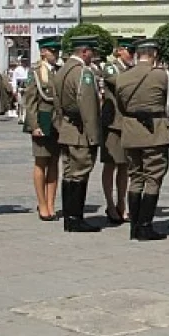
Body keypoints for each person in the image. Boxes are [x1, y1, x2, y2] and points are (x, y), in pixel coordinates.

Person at [112, 38, 169, 241]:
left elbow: (121, 105)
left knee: (135, 176)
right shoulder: (160, 75)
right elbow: (167, 100)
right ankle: (145, 225)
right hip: (154, 131)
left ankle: (135, 226)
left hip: (131, 131)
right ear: (154, 54)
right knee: (153, 176)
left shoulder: (123, 77)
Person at [52, 35, 102, 233]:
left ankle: (69, 216)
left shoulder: (62, 70)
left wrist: (61, 124)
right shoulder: (82, 72)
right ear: (84, 51)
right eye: (91, 52)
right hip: (80, 130)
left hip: (66, 127)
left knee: (69, 173)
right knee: (80, 174)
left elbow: (56, 100)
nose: (92, 57)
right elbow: (88, 106)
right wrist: (93, 136)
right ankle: (76, 218)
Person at [23, 37, 62, 222]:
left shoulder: (59, 71)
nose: (56, 55)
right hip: (43, 120)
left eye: (57, 52)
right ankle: (42, 203)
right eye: (53, 51)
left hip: (58, 122)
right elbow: (29, 101)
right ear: (43, 52)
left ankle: (51, 203)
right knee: (41, 162)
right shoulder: (37, 72)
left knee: (54, 162)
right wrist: (34, 125)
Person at [100, 37, 135, 224]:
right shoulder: (111, 66)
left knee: (125, 166)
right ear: (120, 51)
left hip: (126, 123)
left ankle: (122, 203)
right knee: (111, 164)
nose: (132, 55)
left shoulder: (131, 69)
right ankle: (110, 203)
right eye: (129, 51)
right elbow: (119, 82)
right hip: (112, 123)